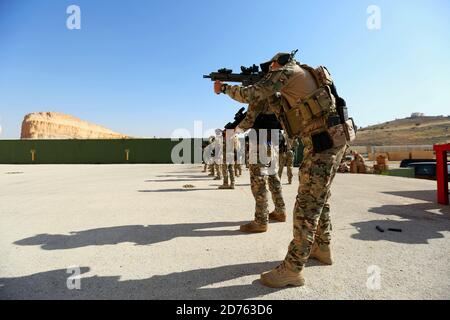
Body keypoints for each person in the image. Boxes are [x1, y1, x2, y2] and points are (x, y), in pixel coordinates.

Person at [213, 51, 351, 288]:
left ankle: (293, 269)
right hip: (331, 140)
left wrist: (223, 88)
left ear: (279, 63)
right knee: (320, 199)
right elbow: (267, 101)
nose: (270, 71)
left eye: (272, 66)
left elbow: (252, 94)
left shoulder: (288, 72)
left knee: (307, 205)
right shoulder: (303, 75)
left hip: (324, 143)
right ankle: (322, 247)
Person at [229, 100, 287, 233]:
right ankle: (280, 211)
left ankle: (261, 221)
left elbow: (249, 120)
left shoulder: (261, 93)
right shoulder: (278, 95)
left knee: (258, 181)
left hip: (260, 140)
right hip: (273, 140)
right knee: (273, 177)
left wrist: (236, 130)